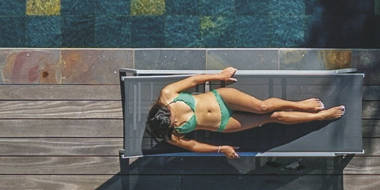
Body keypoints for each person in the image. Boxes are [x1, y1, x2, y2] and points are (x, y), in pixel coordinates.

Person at [145, 67, 345, 158]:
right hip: (224, 123)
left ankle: (301, 105)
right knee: (272, 117)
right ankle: (320, 116)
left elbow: (194, 80)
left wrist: (220, 76)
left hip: (221, 98)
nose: (175, 122)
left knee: (263, 107)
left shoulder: (168, 94)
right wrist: (221, 148)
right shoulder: (171, 134)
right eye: (173, 124)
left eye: (172, 118)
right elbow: (194, 146)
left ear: (164, 109)